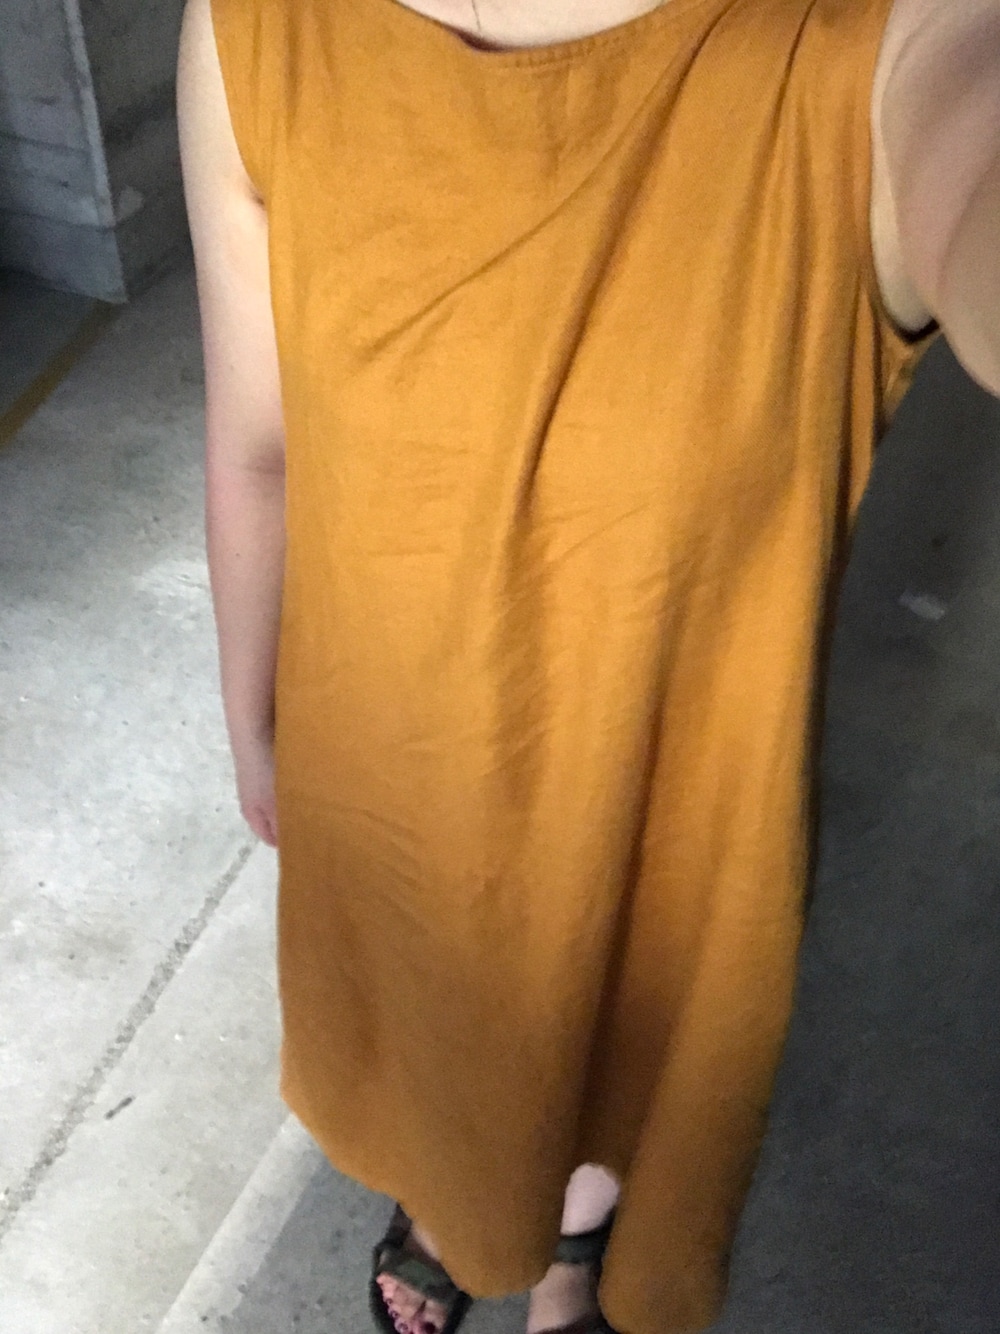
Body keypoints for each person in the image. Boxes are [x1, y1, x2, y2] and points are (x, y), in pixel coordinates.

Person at [176, 2, 1000, 1332]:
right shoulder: (258, 29)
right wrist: (250, 714)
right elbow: (258, 445)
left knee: (615, 1036)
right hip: (389, 770)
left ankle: (570, 1246)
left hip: (652, 811)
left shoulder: (866, 44)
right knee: (444, 1037)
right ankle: (460, 1203)